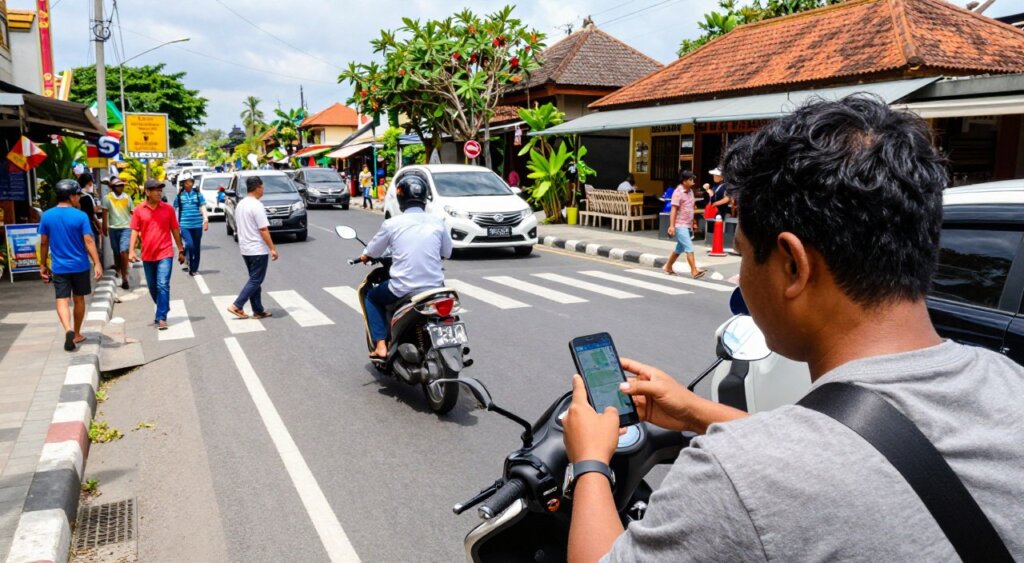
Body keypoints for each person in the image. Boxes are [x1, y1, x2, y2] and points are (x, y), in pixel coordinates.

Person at [561, 96, 1024, 561]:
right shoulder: (1010, 382)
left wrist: (590, 461)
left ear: (792, 265)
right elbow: (850, 451)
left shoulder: (737, 477)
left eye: (742, 253)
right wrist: (693, 412)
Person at [359, 172, 452, 359]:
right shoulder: (438, 222)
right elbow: (447, 253)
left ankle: (381, 346)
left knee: (372, 298)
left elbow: (373, 251)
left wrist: (365, 256)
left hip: (403, 288)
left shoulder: (392, 223)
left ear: (401, 198)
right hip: (436, 288)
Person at [38, 179, 103, 352]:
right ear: (71, 196)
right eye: (77, 196)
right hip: (80, 265)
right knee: (79, 299)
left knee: (61, 299)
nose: (79, 199)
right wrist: (97, 263)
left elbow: (44, 242)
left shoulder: (47, 215)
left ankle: (68, 329)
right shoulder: (80, 216)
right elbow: (88, 241)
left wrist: (42, 265)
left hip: (59, 267)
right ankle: (77, 334)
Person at [129, 179, 185, 330]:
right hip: (148, 255)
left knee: (162, 284)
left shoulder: (168, 209)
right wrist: (131, 250)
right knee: (153, 287)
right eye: (156, 190)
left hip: (165, 253)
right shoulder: (139, 210)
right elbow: (134, 230)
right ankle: (162, 307)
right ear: (147, 192)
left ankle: (161, 317)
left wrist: (180, 249)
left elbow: (174, 230)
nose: (159, 192)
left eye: (160, 190)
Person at [226, 176, 278, 320]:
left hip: (245, 248)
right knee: (256, 280)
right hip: (257, 248)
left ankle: (258, 310)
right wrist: (272, 248)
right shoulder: (256, 205)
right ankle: (237, 305)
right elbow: (263, 230)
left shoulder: (241, 204)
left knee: (254, 279)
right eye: (262, 187)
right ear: (257, 187)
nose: (263, 190)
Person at [663, 171, 705, 279]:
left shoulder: (690, 191)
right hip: (680, 225)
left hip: (687, 224)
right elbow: (673, 210)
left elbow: (691, 208)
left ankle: (668, 267)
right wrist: (672, 226)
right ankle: (694, 270)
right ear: (684, 181)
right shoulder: (678, 192)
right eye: (690, 180)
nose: (693, 182)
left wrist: (693, 223)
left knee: (679, 249)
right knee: (689, 247)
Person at [172, 172, 208, 275]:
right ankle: (185, 255)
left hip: (197, 224)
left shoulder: (197, 194)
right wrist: (175, 224)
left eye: (191, 182)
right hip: (184, 225)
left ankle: (194, 269)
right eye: (187, 182)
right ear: (183, 184)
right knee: (189, 244)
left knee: (196, 247)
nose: (189, 184)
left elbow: (203, 207)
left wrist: (205, 220)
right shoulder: (179, 197)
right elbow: (176, 210)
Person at [101, 177, 134, 289]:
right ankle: (119, 269)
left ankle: (125, 277)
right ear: (113, 187)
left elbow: (132, 213)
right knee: (116, 252)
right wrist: (104, 227)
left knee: (123, 251)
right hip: (113, 228)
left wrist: (136, 228)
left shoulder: (127, 198)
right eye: (119, 186)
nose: (121, 188)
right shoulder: (107, 198)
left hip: (126, 227)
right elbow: (105, 213)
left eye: (122, 185)